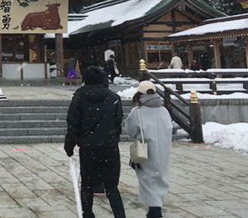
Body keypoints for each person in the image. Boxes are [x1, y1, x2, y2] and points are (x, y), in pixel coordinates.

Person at [64, 66, 126, 218]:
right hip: (109, 147)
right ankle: (119, 215)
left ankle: (87, 213)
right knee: (112, 187)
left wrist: (70, 144)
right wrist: (112, 137)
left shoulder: (79, 97)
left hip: (88, 147)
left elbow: (73, 123)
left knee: (87, 184)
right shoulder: (114, 98)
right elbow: (118, 123)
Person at [125, 80, 173, 218]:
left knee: (148, 179)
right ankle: (155, 208)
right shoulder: (164, 110)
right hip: (163, 148)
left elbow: (130, 129)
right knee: (160, 176)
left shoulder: (138, 111)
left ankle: (154, 211)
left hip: (145, 149)